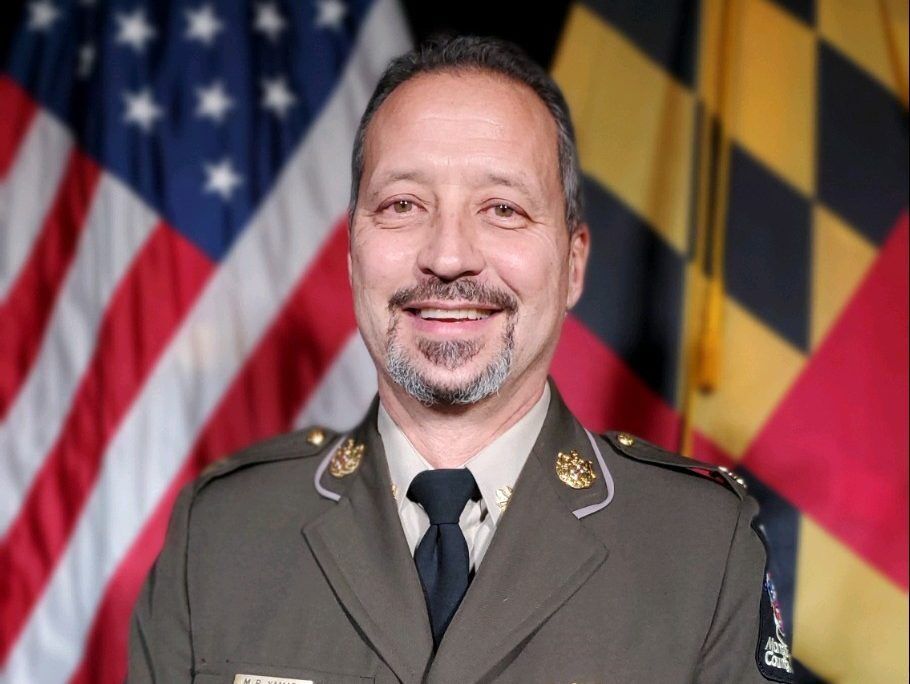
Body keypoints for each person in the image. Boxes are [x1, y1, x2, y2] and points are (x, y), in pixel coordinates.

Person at [128, 36, 794, 684]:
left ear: (573, 266)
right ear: (354, 253)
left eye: (502, 209)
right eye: (402, 205)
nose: (448, 257)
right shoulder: (221, 536)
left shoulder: (701, 548)